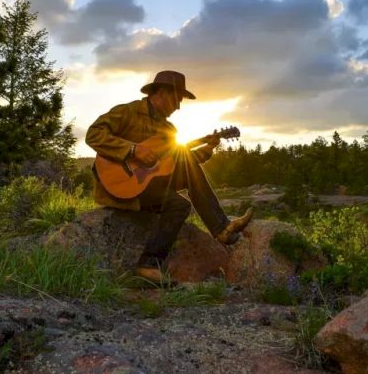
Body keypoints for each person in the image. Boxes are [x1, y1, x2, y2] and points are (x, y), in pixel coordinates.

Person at [86, 70, 253, 284]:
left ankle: (147, 266)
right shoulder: (128, 112)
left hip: (148, 186)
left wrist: (207, 150)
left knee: (180, 204)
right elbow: (93, 134)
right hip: (119, 186)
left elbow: (178, 163)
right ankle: (221, 228)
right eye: (177, 99)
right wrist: (133, 150)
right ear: (163, 93)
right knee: (180, 199)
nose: (178, 106)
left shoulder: (168, 129)